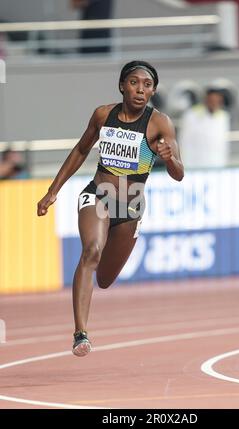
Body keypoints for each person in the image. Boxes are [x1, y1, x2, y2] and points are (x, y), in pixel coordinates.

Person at [37, 60, 184, 357]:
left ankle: (89, 301)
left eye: (146, 85)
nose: (140, 89)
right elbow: (80, 150)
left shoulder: (160, 123)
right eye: (134, 82)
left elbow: (179, 173)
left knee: (104, 279)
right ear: (122, 85)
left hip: (131, 208)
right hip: (98, 195)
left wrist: (169, 158)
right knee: (91, 250)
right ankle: (81, 334)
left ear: (153, 90)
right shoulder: (103, 115)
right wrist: (53, 191)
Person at [178, 87, 230, 168]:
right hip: (194, 165)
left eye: (217, 101)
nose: (214, 103)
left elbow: (222, 144)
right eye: (212, 100)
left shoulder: (223, 117)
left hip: (217, 165)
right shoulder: (191, 115)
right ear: (206, 99)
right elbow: (183, 141)